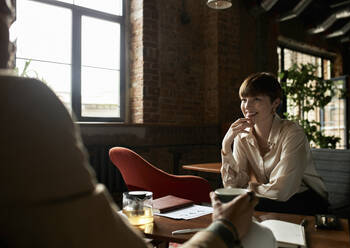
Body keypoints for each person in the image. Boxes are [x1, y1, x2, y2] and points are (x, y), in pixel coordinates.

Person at [0, 1, 275, 247]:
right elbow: (232, 183)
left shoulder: (289, 134)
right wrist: (225, 227)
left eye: (256, 100)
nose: (14, 46)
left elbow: (264, 188)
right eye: (6, 21)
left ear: (275, 104)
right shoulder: (21, 103)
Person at [221, 72, 329, 215]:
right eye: (243, 99)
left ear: (275, 103)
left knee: (239, 207)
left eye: (256, 99)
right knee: (227, 202)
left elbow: (281, 191)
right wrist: (226, 145)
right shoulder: (242, 136)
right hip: (269, 198)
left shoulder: (292, 133)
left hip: (306, 199)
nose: (247, 106)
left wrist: (246, 190)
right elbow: (232, 186)